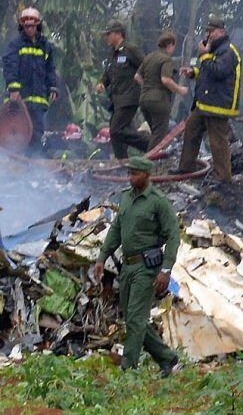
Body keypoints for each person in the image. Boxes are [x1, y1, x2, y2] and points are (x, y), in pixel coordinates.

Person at [93, 156, 179, 375]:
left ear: (147, 175)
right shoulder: (126, 198)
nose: (130, 177)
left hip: (147, 268)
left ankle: (128, 370)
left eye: (135, 174)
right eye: (129, 173)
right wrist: (102, 257)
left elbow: (173, 236)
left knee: (135, 318)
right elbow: (116, 229)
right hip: (127, 267)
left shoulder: (157, 201)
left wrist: (165, 271)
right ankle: (167, 357)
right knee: (134, 319)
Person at [174, 17, 242, 182]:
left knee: (217, 141)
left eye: (211, 31)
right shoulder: (214, 50)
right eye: (207, 31)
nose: (208, 34)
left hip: (218, 105)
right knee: (191, 128)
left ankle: (223, 177)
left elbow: (218, 72)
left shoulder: (228, 51)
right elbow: (207, 73)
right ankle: (186, 168)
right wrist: (193, 73)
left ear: (221, 32)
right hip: (205, 104)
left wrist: (204, 56)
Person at [2, 7, 58, 153]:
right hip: (21, 100)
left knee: (37, 134)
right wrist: (14, 89)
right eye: (26, 26)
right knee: (18, 136)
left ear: (38, 25)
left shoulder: (46, 46)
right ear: (22, 26)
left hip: (39, 100)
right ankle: (18, 169)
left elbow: (50, 69)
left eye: (32, 25)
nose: (29, 28)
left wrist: (52, 86)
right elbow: (10, 66)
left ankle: (34, 170)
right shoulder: (15, 45)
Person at [96, 19, 149, 159]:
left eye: (108, 34)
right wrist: (102, 83)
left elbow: (146, 65)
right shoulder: (113, 54)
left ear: (118, 34)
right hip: (116, 100)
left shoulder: (130, 50)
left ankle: (151, 145)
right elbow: (109, 73)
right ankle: (122, 164)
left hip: (129, 98)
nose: (106, 37)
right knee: (117, 135)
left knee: (116, 130)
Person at [134, 32, 188, 150]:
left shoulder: (149, 57)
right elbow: (165, 80)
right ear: (169, 45)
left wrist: (148, 86)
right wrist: (180, 90)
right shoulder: (166, 59)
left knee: (155, 133)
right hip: (159, 101)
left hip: (144, 100)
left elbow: (137, 77)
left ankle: (149, 160)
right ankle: (148, 164)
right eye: (174, 46)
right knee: (159, 135)